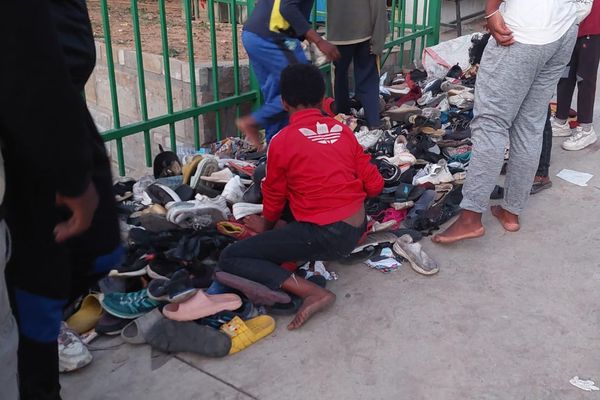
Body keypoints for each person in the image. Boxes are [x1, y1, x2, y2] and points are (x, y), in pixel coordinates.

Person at [1, 0, 120, 398]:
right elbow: (37, 73)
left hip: (30, 163)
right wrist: (76, 180)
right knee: (39, 286)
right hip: (27, 171)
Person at [219, 64, 383, 330]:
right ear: (322, 99)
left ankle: (312, 292)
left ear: (284, 102)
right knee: (294, 188)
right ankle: (298, 245)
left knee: (232, 257)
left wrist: (266, 225)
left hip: (327, 235)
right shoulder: (342, 131)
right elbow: (374, 185)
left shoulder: (282, 141)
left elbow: (274, 195)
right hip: (357, 226)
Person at [432, 0, 578, 244]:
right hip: (563, 28)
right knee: (530, 124)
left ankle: (470, 218)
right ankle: (511, 212)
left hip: (523, 29)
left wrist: (491, 11)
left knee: (491, 124)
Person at [237, 0, 341, 147]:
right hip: (273, 37)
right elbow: (287, 7)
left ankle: (276, 147)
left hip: (255, 34)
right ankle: (254, 121)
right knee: (303, 87)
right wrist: (318, 41)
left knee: (277, 93)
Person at [326, 0, 388, 129]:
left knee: (340, 78)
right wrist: (379, 36)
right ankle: (373, 124)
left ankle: (344, 121)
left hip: (339, 33)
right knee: (368, 78)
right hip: (365, 32)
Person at [551, 0, 600, 151]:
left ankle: (586, 129)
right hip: (570, 29)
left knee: (584, 79)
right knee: (565, 76)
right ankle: (561, 120)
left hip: (592, 28)